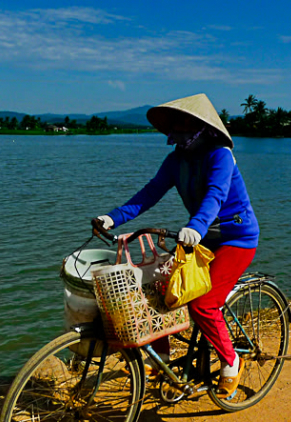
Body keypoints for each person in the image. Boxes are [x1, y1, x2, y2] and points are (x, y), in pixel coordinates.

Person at [95, 93, 259, 398]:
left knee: (203, 304)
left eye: (183, 124)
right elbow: (149, 194)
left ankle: (231, 361)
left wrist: (195, 226)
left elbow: (215, 195)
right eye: (175, 126)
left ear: (201, 127)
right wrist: (112, 218)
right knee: (157, 291)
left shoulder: (220, 155)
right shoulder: (175, 161)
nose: (177, 132)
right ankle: (163, 359)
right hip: (202, 236)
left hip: (236, 238)